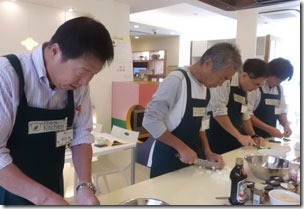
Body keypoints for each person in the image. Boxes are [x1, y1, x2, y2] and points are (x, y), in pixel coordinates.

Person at [0, 16, 114, 205]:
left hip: (52, 186)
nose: (86, 82)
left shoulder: (79, 86)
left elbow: (81, 135)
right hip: (8, 190)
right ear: (55, 51)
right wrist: (44, 198)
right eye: (83, 71)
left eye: (93, 74)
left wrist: (85, 186)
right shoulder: (7, 75)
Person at [142, 42, 242, 178]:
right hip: (167, 159)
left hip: (192, 158)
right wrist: (181, 148)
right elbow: (150, 121)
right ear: (208, 63)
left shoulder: (205, 89)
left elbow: (202, 125)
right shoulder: (177, 80)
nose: (221, 84)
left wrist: (208, 152)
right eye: (222, 78)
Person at [205, 58, 269, 154]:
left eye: (259, 86)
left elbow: (245, 115)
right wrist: (239, 136)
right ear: (244, 75)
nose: (256, 89)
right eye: (256, 84)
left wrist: (253, 135)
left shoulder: (247, 88)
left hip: (234, 138)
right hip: (215, 137)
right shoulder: (225, 81)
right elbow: (219, 113)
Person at [247, 57, 294, 138]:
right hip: (252, 135)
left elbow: (281, 111)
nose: (279, 83)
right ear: (270, 73)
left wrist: (286, 125)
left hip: (269, 137)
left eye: (282, 80)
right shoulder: (256, 86)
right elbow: (247, 114)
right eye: (278, 79)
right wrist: (269, 129)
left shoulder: (279, 89)